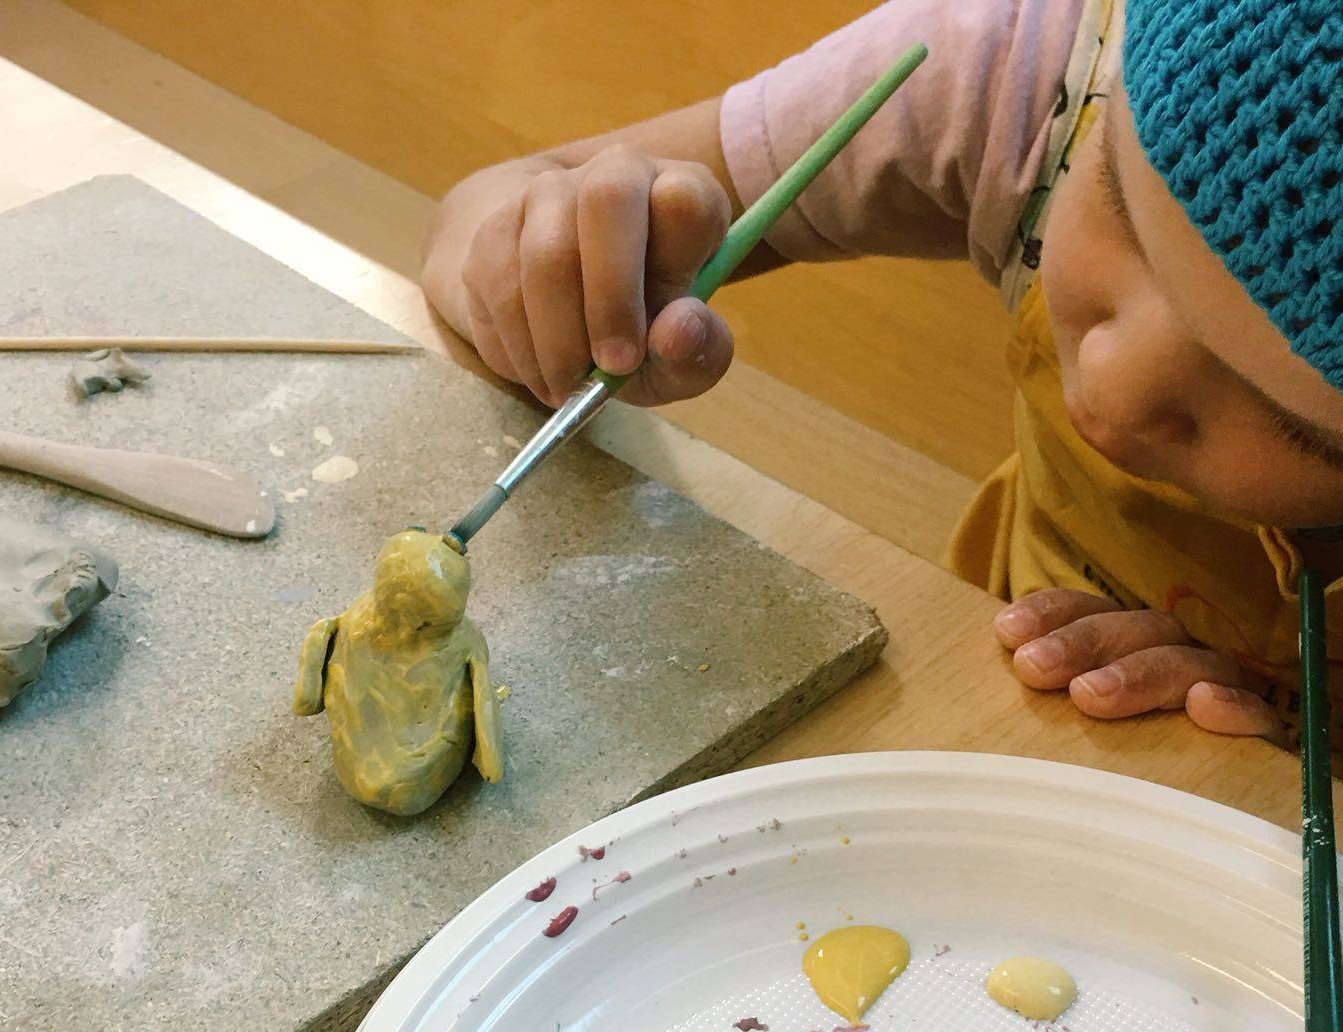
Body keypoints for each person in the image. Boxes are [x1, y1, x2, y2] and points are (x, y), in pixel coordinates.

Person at [420, 0, 1343, 746]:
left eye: (1288, 420)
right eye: (1117, 209)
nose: (1104, 388)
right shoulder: (1036, 75)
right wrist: (547, 271)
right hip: (990, 698)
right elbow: (496, 198)